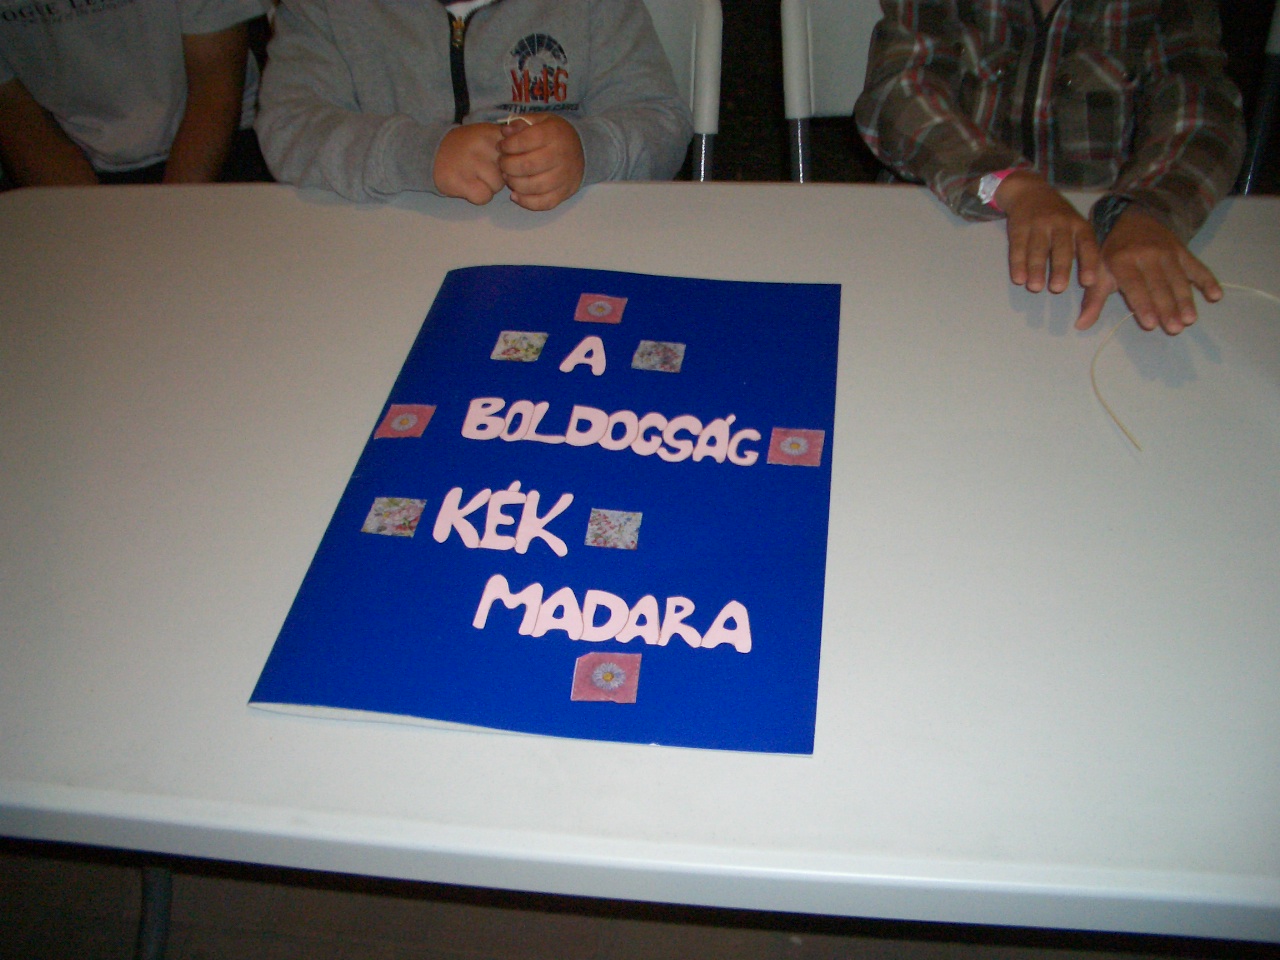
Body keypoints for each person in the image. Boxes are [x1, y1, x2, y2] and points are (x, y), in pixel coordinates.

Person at [854, 0, 1247, 336]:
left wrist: (1149, 208)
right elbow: (898, 92)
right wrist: (1011, 183)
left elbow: (1203, 110)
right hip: (941, 219)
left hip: (1098, 247)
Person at [255, 0, 694, 210]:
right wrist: (418, 155)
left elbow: (661, 120)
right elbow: (289, 123)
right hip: (380, 241)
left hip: (570, 236)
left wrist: (588, 151)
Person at [0, 0, 269, 188]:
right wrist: (88, 217)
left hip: (216, 141)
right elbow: (15, 115)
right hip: (67, 156)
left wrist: (172, 212)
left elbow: (214, 83)